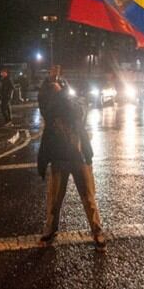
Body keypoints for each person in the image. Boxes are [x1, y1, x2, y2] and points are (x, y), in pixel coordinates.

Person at [36, 81, 104, 248]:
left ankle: (97, 231)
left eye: (57, 87)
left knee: (88, 197)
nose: (56, 89)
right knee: (54, 199)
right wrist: (43, 160)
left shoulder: (73, 104)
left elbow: (77, 112)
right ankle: (50, 229)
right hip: (59, 159)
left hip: (79, 157)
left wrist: (63, 91)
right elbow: (44, 108)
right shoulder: (51, 109)